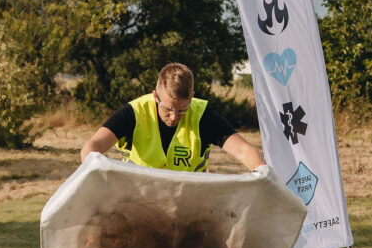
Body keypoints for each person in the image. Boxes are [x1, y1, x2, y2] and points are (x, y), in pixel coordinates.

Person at [80, 62, 265, 172]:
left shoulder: (203, 116)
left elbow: (243, 150)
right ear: (155, 96)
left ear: (192, 96)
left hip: (189, 202)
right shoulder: (134, 113)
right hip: (138, 201)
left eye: (183, 109)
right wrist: (93, 172)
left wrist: (260, 168)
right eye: (168, 109)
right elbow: (92, 147)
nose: (175, 116)